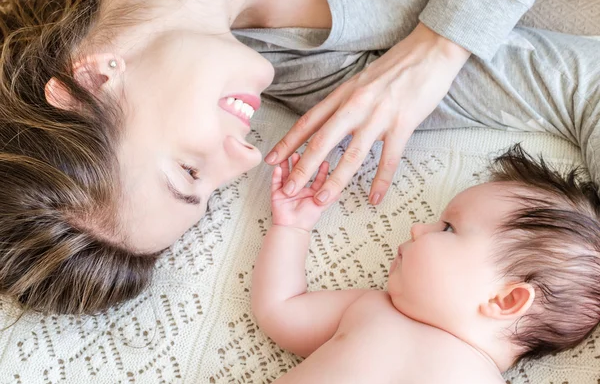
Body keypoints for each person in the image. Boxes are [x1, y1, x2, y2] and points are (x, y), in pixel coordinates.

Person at [0, 0, 597, 314]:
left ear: (96, 81)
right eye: (211, 193)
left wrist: (439, 45)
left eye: (189, 169)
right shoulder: (323, 78)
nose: (247, 158)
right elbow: (585, 85)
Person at [251, 145, 600, 383]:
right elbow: (281, 311)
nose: (418, 229)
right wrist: (292, 228)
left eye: (448, 227)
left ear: (505, 300)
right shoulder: (370, 308)